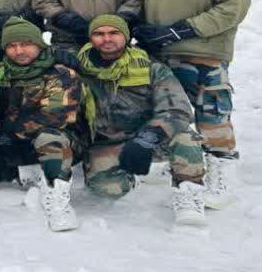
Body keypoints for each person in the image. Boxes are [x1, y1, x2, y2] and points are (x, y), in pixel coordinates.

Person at [134, 0, 250, 208]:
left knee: (210, 113)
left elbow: (232, 8)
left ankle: (222, 172)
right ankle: (173, 160)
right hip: (160, 54)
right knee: (165, 109)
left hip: (203, 52)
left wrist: (182, 29)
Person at [60, 15, 208, 225]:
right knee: (107, 189)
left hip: (147, 136)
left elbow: (177, 110)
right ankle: (131, 174)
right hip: (106, 141)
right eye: (99, 34)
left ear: (126, 36)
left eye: (114, 33)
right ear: (90, 38)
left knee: (186, 137)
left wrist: (149, 136)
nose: (106, 39)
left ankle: (189, 195)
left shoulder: (150, 67)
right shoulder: (77, 65)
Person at [0, 18, 86, 231]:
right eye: (12, 46)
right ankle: (26, 172)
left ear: (39, 45)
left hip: (60, 139)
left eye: (25, 44)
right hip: (12, 140)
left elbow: (54, 116)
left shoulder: (61, 73)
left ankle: (58, 198)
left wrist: (10, 134)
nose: (19, 51)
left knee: (49, 139)